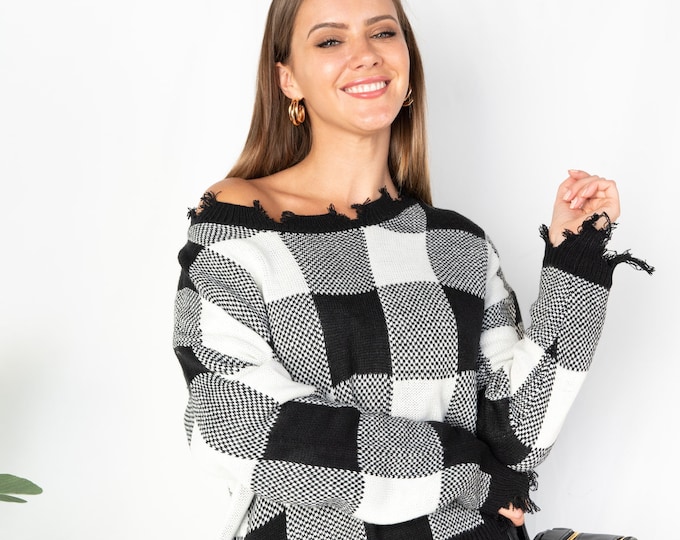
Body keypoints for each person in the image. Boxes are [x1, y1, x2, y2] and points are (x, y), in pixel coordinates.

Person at [173, 1, 652, 539]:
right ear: (289, 79)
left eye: (383, 32)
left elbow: (518, 439)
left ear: (407, 61)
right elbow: (234, 424)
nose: (365, 55)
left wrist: (575, 258)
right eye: (330, 40)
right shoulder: (239, 221)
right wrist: (467, 472)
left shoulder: (459, 244)